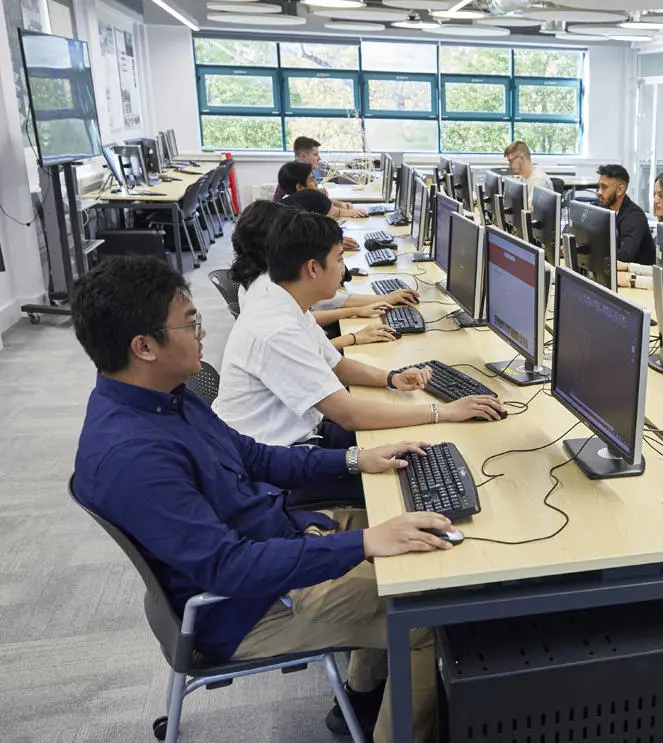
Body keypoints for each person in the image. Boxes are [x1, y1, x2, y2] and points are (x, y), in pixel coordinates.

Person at [71, 255, 450, 742]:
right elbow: (229, 567)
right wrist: (363, 544)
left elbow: (253, 457)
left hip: (270, 538)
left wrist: (357, 460)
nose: (202, 335)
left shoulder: (165, 397)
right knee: (424, 617)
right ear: (143, 346)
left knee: (405, 518)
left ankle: (361, 694)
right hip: (247, 606)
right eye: (190, 324)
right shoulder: (133, 456)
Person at [213, 209, 504, 483]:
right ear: (313, 268)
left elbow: (336, 365)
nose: (344, 270)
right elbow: (350, 415)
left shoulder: (286, 301)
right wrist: (443, 411)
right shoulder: (277, 327)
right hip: (271, 461)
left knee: (420, 446)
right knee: (417, 471)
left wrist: (391, 378)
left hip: (295, 432)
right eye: (339, 259)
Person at [228, 201, 415, 351]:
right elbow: (308, 352)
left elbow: (308, 325)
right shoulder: (270, 289)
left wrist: (355, 312)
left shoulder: (259, 276)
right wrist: (354, 335)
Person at [272, 135, 366, 217]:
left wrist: (338, 204)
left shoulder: (307, 173)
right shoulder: (290, 177)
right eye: (315, 154)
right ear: (303, 156)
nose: (319, 158)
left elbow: (314, 202)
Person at [596, 164, 656, 266]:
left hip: (636, 273)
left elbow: (625, 256)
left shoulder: (634, 217)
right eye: (599, 187)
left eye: (604, 187)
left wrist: (594, 253)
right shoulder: (605, 208)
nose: (599, 192)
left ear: (620, 190)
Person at [278, 161, 363, 221]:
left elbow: (330, 208)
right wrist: (349, 212)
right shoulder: (295, 212)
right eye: (312, 180)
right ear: (300, 187)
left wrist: (340, 204)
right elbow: (334, 212)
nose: (316, 182)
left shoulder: (290, 201)